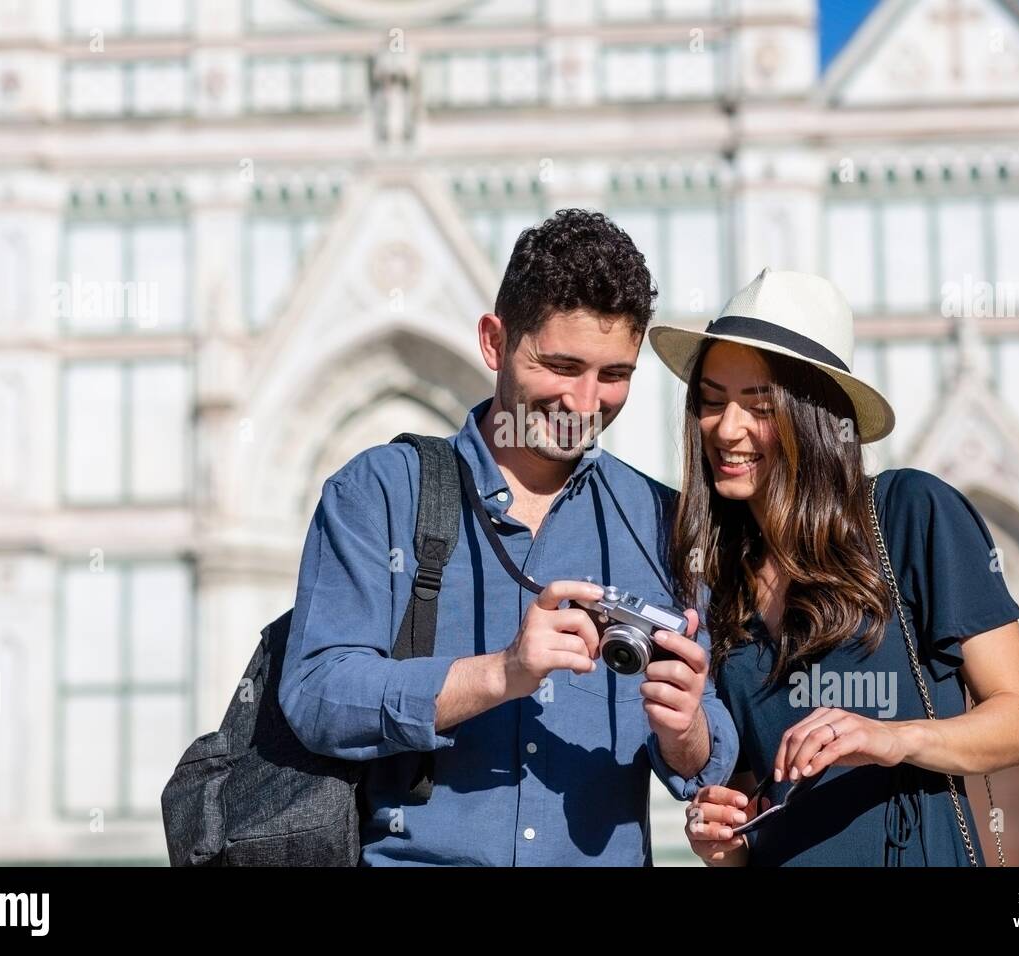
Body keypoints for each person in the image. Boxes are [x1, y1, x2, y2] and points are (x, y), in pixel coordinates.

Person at [278, 209, 738, 865]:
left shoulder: (663, 522)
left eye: (614, 375)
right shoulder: (379, 492)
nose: (585, 403)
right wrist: (502, 673)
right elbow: (318, 694)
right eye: (560, 365)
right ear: (495, 342)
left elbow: (704, 763)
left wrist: (685, 722)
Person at [648, 268, 1019, 866]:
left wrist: (892, 738)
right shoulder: (714, 581)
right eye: (711, 402)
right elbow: (755, 795)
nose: (726, 428)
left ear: (814, 413)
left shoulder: (911, 513)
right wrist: (722, 839)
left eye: (758, 403)